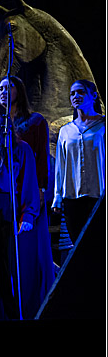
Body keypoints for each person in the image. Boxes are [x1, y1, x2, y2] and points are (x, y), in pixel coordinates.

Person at [0, 103, 46, 320]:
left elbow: (28, 182)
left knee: (12, 268)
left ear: (4, 119)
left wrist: (27, 214)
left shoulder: (19, 148)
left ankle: (17, 316)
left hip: (9, 209)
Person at [52, 79, 106, 244]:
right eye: (72, 93)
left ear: (93, 96)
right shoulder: (66, 131)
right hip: (73, 198)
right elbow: (60, 166)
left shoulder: (103, 125)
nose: (76, 96)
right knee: (79, 247)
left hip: (99, 195)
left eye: (81, 92)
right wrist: (57, 197)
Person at [0, 76, 50, 197]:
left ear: (19, 91)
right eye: (0, 89)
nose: (3, 92)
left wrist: (40, 187)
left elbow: (41, 156)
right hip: (3, 188)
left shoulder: (35, 121)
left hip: (28, 184)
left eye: (8, 87)